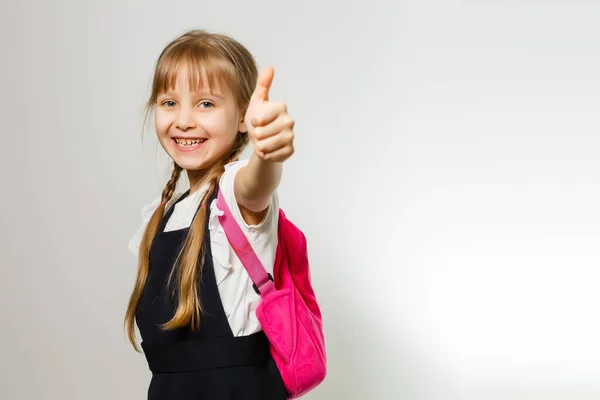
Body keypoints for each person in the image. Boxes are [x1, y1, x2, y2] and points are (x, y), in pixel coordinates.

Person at [124, 29, 296, 399]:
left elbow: (257, 184)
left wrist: (268, 153)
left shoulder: (234, 194)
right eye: (169, 103)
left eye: (205, 104)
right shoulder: (161, 214)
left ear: (243, 118)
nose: (183, 120)